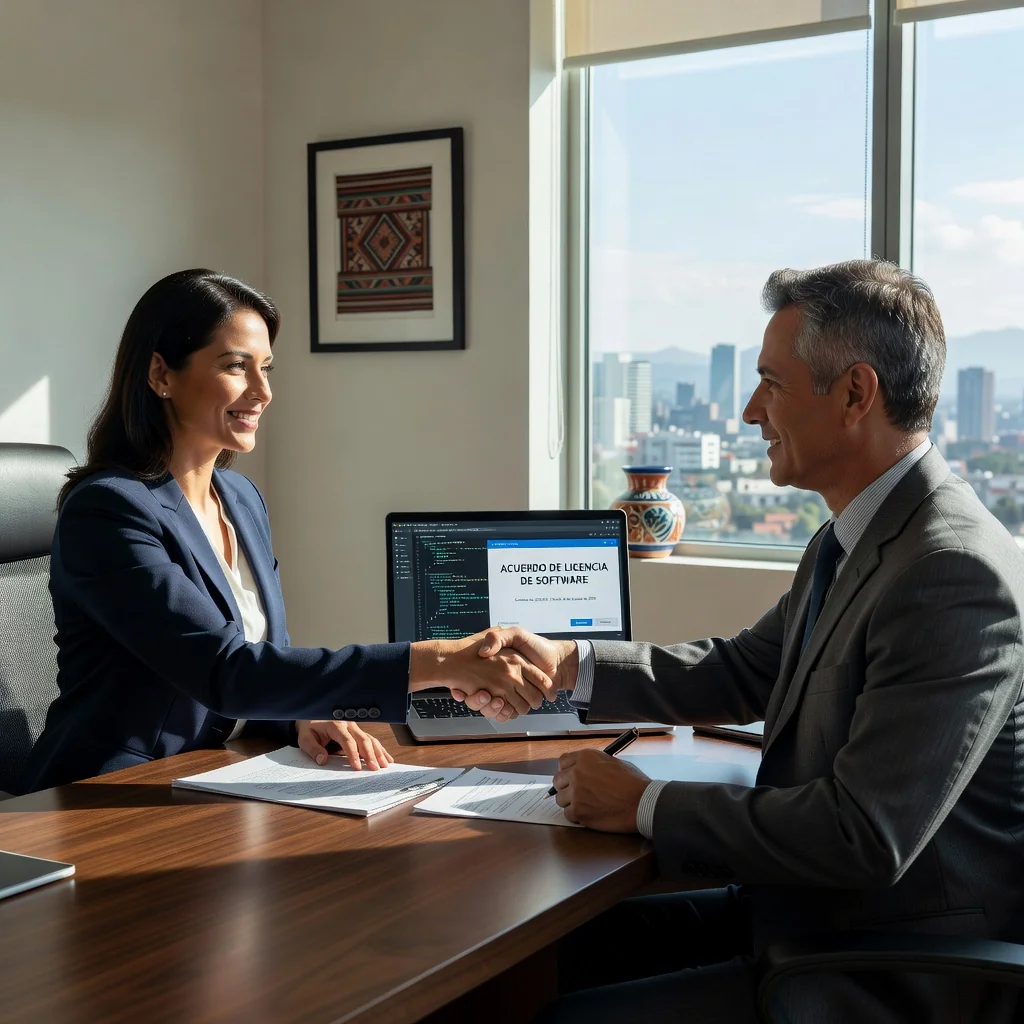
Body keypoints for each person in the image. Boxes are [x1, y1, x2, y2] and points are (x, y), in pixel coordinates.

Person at [463, 261, 1024, 1023]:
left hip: (885, 971)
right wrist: (571, 664)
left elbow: (864, 834)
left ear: (856, 394)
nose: (750, 410)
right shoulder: (858, 534)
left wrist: (647, 802)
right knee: (552, 955)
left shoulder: (949, 571)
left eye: (772, 382)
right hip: (809, 917)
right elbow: (749, 666)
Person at [21, 269, 552, 793]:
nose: (262, 391)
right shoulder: (109, 510)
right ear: (160, 374)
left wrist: (300, 716)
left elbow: (267, 659)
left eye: (267, 368)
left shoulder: (242, 500)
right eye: (236, 366)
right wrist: (437, 660)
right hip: (104, 794)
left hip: (217, 776)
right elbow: (226, 672)